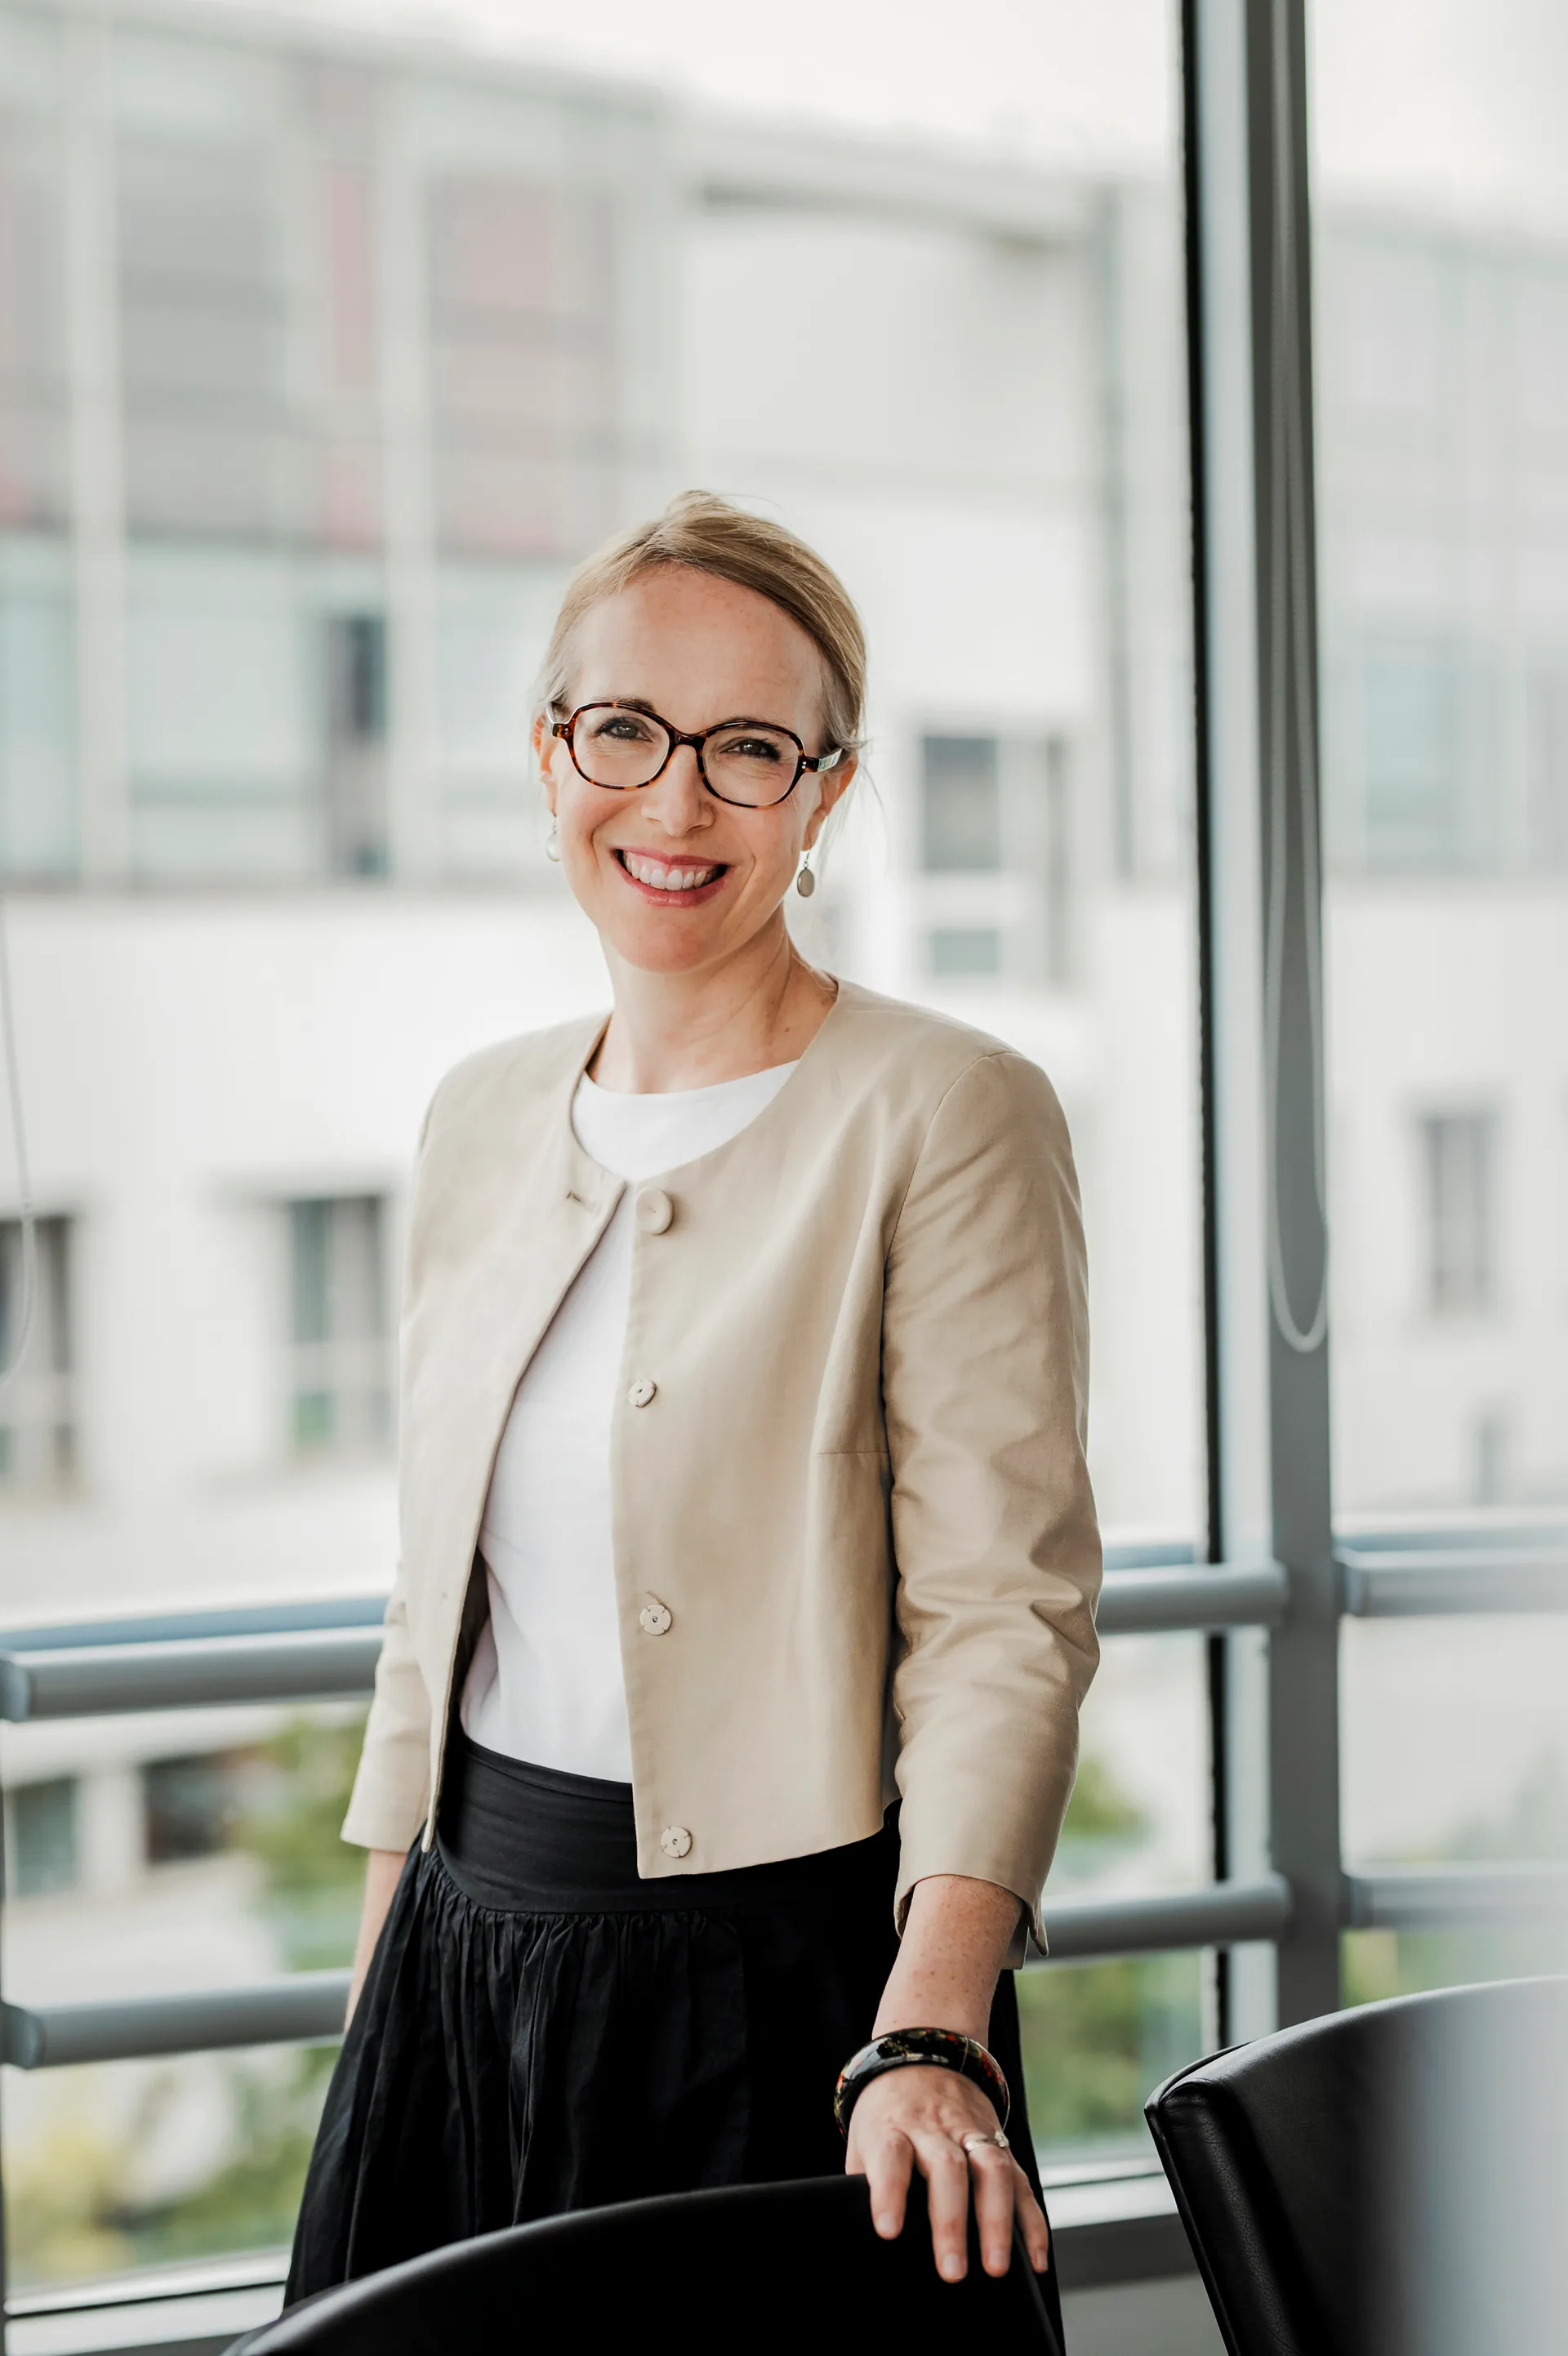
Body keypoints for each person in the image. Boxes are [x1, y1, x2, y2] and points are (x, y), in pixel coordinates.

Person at [285, 493, 1100, 2328]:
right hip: (464, 1963)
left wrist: (933, 2026)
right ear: (549, 752)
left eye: (750, 749)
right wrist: (375, 2024)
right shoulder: (478, 1113)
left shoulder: (948, 1108)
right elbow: (433, 1634)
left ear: (825, 792)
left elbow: (1006, 1618)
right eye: (626, 731)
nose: (675, 803)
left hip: (799, 1992)